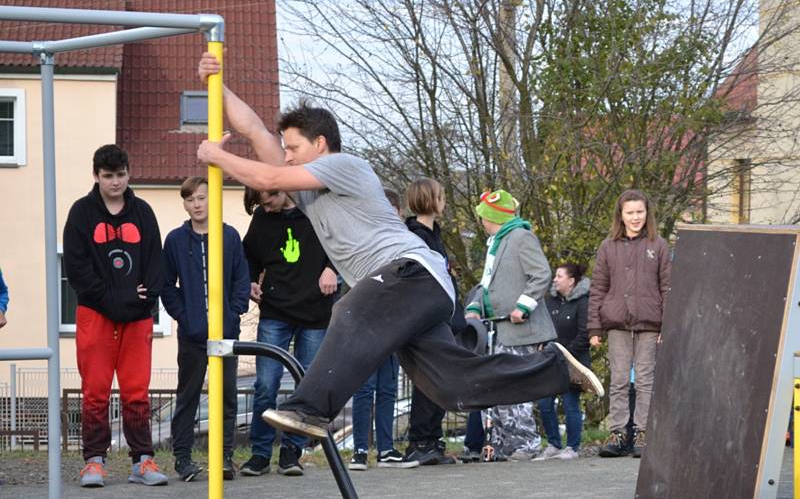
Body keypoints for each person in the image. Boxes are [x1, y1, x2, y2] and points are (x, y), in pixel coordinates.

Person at [194, 53, 602, 447]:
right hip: (414, 296)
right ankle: (554, 370)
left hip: (410, 274)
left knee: (348, 309)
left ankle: (310, 408)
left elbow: (265, 174)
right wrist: (218, 84)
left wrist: (216, 155)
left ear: (320, 144)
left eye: (293, 150)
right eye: (285, 151)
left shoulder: (343, 166)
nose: (286, 157)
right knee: (452, 386)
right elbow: (254, 132)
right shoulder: (307, 188)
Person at [63, 144, 167, 488]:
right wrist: (116, 297)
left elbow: (155, 263)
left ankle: (142, 460)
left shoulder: (144, 213)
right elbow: (78, 270)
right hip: (95, 314)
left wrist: (142, 298)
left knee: (136, 389)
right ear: (96, 176)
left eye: (121, 175)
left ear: (128, 173)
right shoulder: (81, 214)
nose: (115, 183)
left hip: (137, 317)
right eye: (108, 176)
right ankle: (94, 462)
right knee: (95, 390)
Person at [239, 186, 336, 477]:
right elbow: (249, 255)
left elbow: (344, 244)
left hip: (314, 312)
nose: (265, 207)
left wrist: (332, 268)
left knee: (305, 386)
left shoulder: (317, 210)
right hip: (276, 312)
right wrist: (250, 280)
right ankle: (259, 453)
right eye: (260, 203)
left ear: (281, 189)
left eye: (268, 199)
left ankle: (291, 452)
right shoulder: (262, 217)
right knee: (266, 385)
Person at [161, 176, 250, 482]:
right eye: (190, 199)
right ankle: (183, 458)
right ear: (184, 203)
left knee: (226, 395)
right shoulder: (175, 240)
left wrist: (234, 312)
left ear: (212, 199)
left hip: (225, 333)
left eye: (202, 198)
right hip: (193, 335)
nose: (197, 204)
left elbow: (241, 279)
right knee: (187, 396)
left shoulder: (229, 237)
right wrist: (184, 317)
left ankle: (224, 456)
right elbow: (166, 285)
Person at [464, 190, 554, 461]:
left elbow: (541, 274)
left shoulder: (521, 237)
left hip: (519, 329)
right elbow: (487, 283)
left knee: (517, 389)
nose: (481, 221)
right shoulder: (496, 242)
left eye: (483, 216)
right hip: (498, 329)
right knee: (499, 389)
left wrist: (523, 306)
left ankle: (525, 443)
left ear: (494, 217)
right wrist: (474, 306)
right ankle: (503, 443)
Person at [588, 189, 671, 458]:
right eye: (630, 213)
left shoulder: (658, 245)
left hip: (650, 322)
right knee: (620, 378)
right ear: (620, 215)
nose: (635, 217)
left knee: (646, 379)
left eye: (640, 212)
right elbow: (598, 288)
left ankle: (643, 432)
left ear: (647, 214)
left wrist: (667, 324)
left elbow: (668, 287)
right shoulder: (607, 246)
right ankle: (618, 431)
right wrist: (594, 327)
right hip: (617, 322)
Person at [402, 178, 465, 466]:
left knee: (438, 382)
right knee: (428, 382)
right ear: (429, 200)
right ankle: (419, 442)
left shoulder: (434, 235)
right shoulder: (414, 237)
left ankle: (431, 439)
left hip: (442, 318)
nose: (444, 201)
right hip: (424, 320)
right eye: (441, 196)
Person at [349, 188, 413, 471]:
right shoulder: (363, 241)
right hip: (367, 322)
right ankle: (360, 448)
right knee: (365, 388)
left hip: (395, 323)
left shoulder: (405, 242)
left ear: (398, 213)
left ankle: (386, 448)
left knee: (388, 388)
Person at [536, 262, 591, 461]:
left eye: (559, 276)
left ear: (571, 281)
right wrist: (541, 344)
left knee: (570, 404)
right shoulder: (550, 301)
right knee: (544, 403)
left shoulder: (584, 302)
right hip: (550, 361)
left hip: (574, 362)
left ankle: (572, 447)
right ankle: (553, 443)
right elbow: (542, 327)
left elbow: (585, 335)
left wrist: (566, 354)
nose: (555, 279)